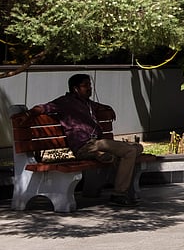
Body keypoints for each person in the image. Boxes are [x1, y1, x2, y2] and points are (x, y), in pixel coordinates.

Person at [38, 74, 144, 206]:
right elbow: (44, 107)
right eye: (85, 85)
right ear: (75, 89)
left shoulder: (88, 103)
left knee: (138, 147)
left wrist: (108, 108)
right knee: (129, 151)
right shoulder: (65, 102)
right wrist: (25, 114)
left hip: (98, 144)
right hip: (84, 145)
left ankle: (103, 156)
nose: (89, 88)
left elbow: (100, 106)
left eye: (90, 85)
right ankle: (119, 194)